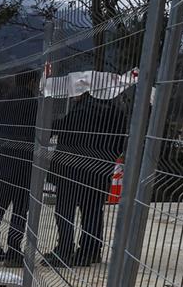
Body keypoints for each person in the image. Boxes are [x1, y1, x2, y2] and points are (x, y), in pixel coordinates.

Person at [47, 84, 128, 266]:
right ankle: (89, 252)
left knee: (64, 210)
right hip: (98, 171)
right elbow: (120, 142)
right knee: (92, 211)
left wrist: (47, 124)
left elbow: (64, 129)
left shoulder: (80, 111)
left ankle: (65, 250)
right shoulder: (116, 113)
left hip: (71, 169)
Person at [0, 72, 39, 266]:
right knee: (20, 212)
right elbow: (39, 132)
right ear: (32, 82)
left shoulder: (0, 103)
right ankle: (13, 251)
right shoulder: (32, 103)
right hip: (22, 166)